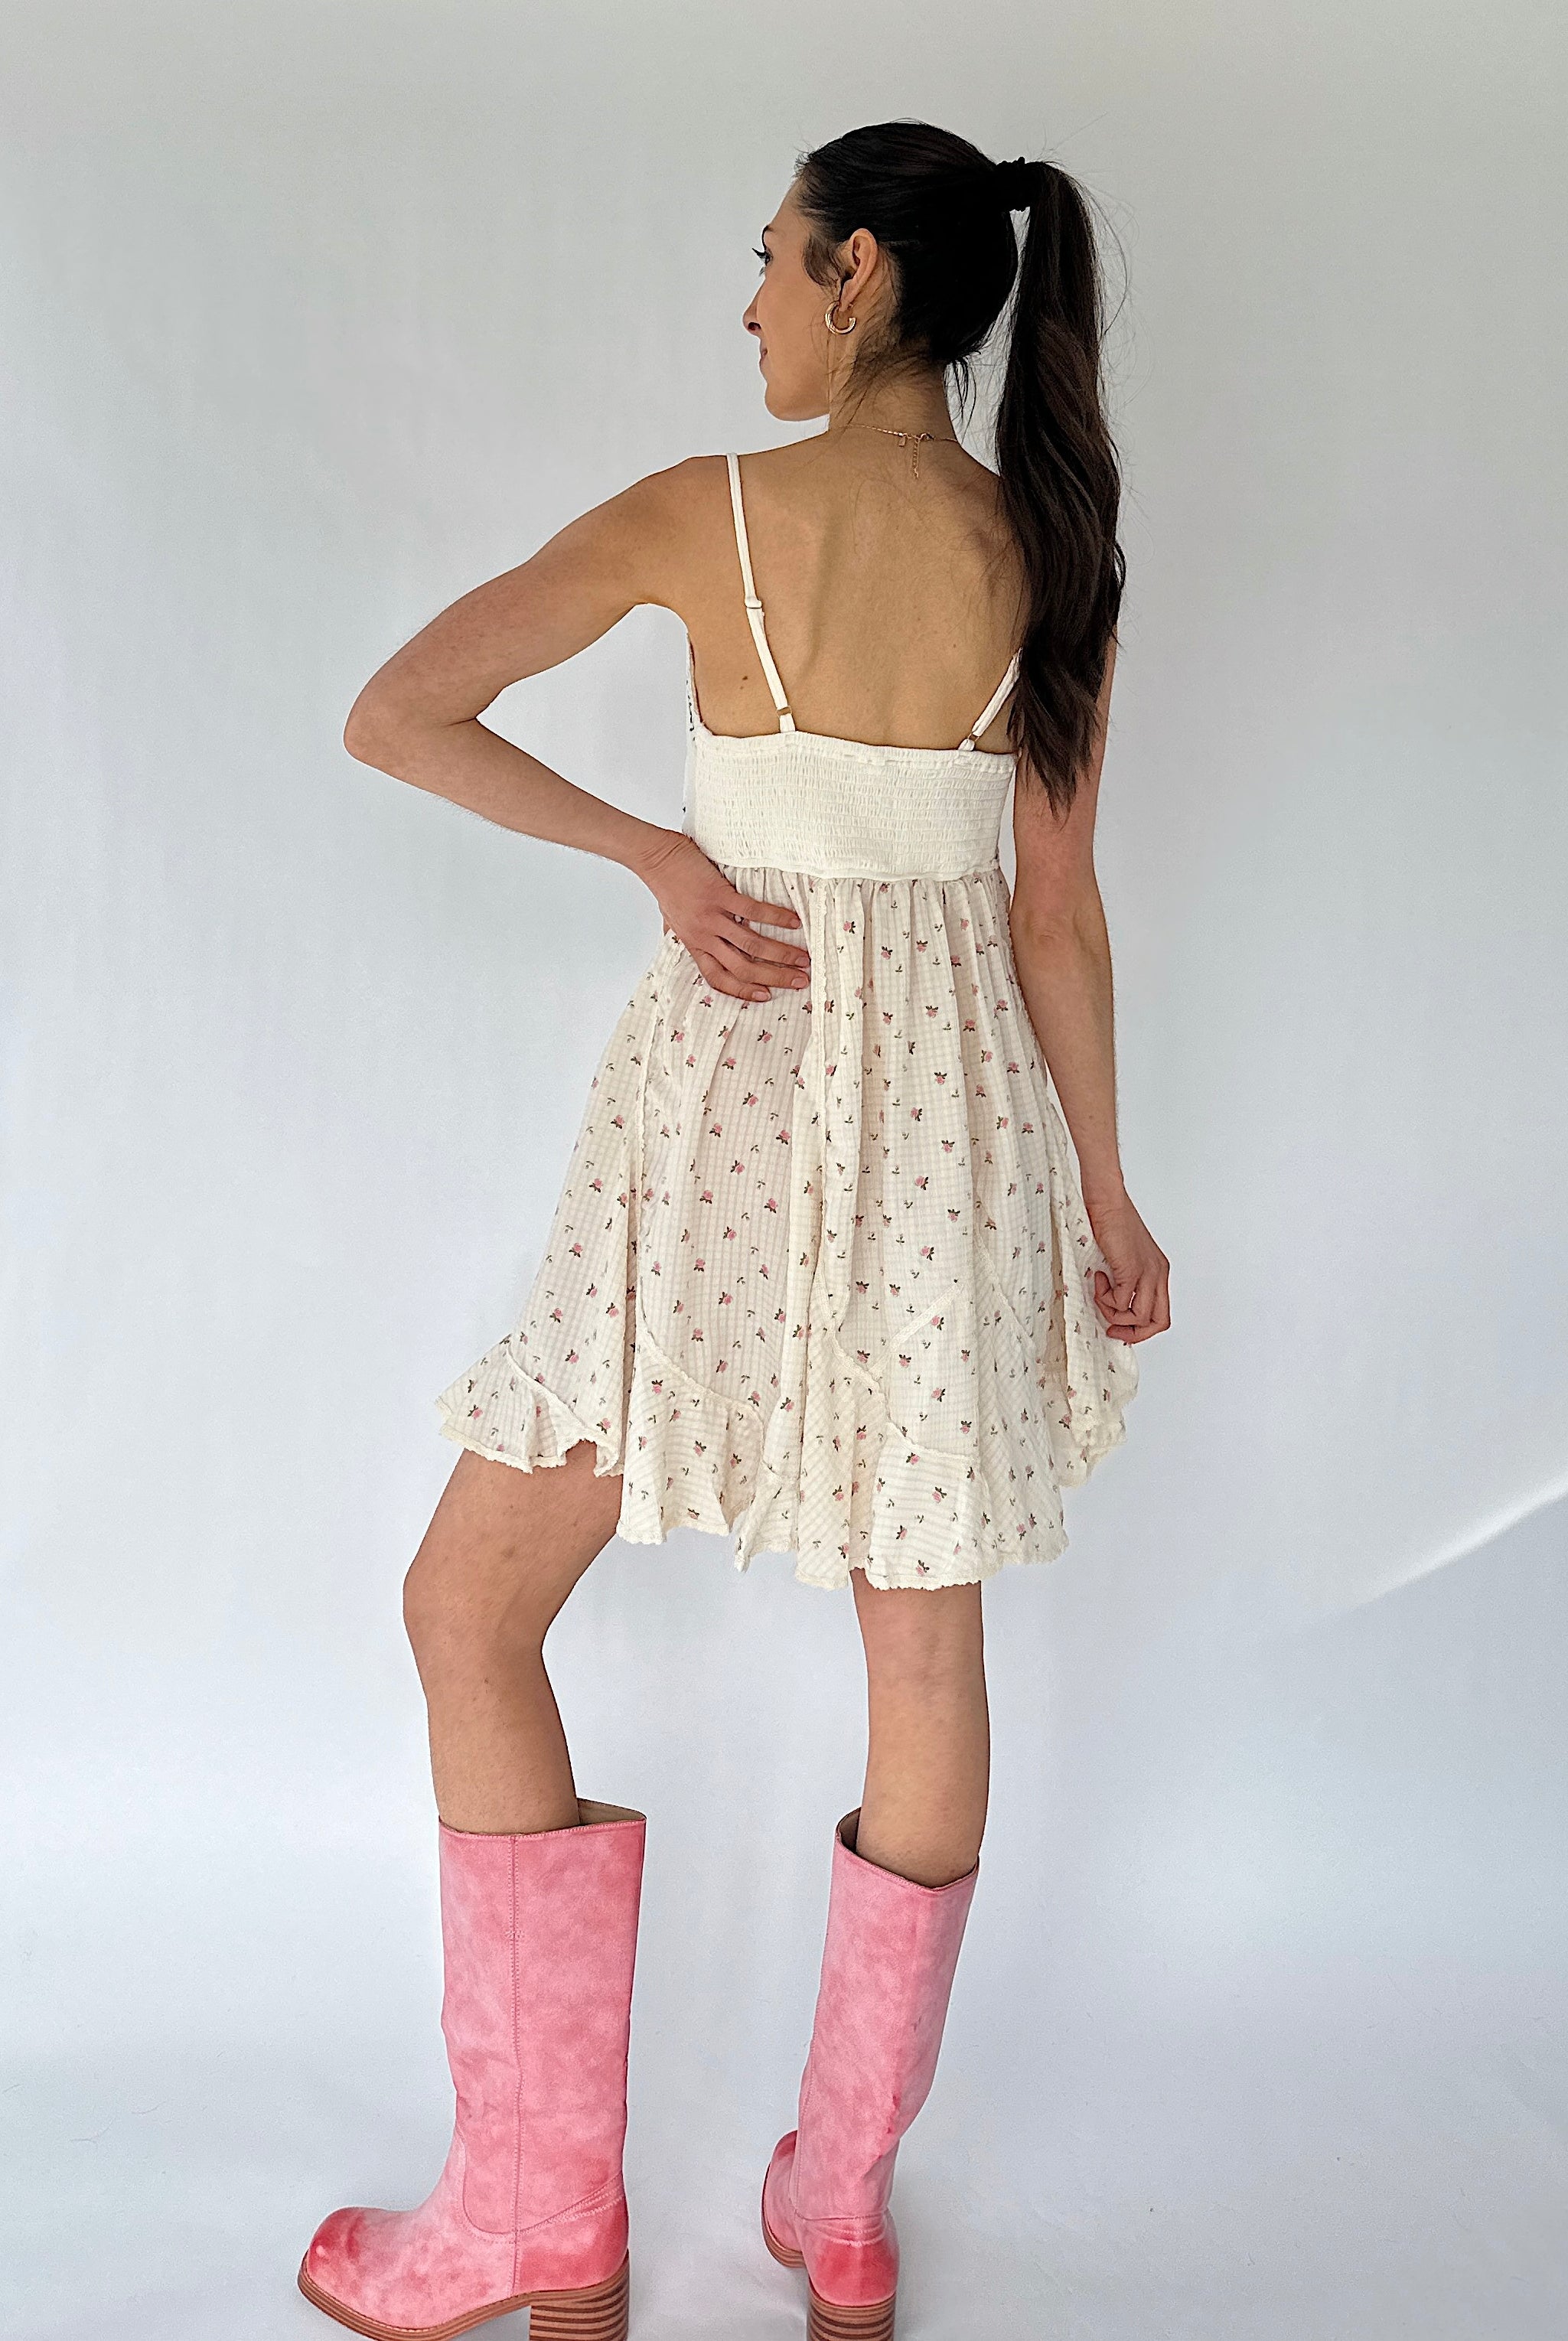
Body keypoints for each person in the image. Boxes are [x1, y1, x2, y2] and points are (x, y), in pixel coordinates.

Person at [296, 119, 1169, 2341]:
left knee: (469, 1602)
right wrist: (1104, 1185)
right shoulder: (1050, 549)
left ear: (860, 272)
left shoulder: (712, 510)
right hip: (952, 1141)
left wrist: (658, 861)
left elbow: (397, 711)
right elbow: (1056, 918)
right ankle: (840, 2216)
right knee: (926, 1658)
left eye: (773, 262)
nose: (751, 305)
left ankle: (537, 2218)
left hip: (720, 1129)